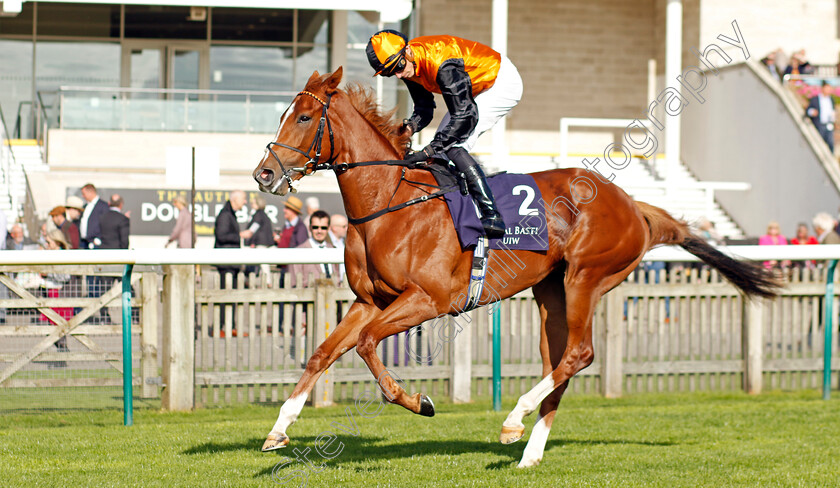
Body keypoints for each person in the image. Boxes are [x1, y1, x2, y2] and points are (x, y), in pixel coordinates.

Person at [366, 30, 523, 238]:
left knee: (455, 145)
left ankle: (492, 214)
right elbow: (424, 108)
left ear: (408, 51)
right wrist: (409, 129)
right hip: (475, 86)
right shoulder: (406, 63)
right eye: (389, 73)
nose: (398, 75)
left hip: (499, 83)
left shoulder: (442, 64)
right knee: (442, 145)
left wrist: (430, 149)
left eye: (398, 67)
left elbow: (465, 115)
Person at [214, 190, 247, 330]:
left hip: (230, 262)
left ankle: (228, 325)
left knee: (229, 295)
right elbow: (221, 236)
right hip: (226, 262)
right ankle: (225, 326)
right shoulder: (225, 215)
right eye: (243, 199)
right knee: (226, 296)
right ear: (235, 200)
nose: (245, 202)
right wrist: (239, 235)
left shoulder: (229, 213)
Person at [289, 210, 341, 288]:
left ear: (328, 228)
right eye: (315, 227)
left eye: (323, 227)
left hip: (332, 297)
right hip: (309, 298)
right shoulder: (299, 251)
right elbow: (294, 283)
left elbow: (337, 277)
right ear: (310, 228)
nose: (319, 231)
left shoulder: (333, 249)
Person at [240, 194, 274, 276]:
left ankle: (267, 282)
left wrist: (244, 236)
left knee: (263, 263)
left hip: (260, 243)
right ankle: (266, 281)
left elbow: (252, 229)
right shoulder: (264, 215)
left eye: (254, 203)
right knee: (263, 263)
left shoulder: (258, 215)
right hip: (263, 242)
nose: (251, 204)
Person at [806, 81, 836, 153]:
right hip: (819, 125)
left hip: (829, 124)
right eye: (827, 88)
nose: (829, 90)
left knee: (830, 143)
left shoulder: (831, 99)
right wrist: (812, 112)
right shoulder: (815, 99)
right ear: (823, 88)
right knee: (819, 143)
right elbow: (808, 110)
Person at [78, 183, 109, 250]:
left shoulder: (103, 206)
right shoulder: (85, 206)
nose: (83, 196)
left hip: (95, 243)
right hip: (84, 242)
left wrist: (98, 238)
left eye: (84, 194)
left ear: (91, 192)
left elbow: (106, 224)